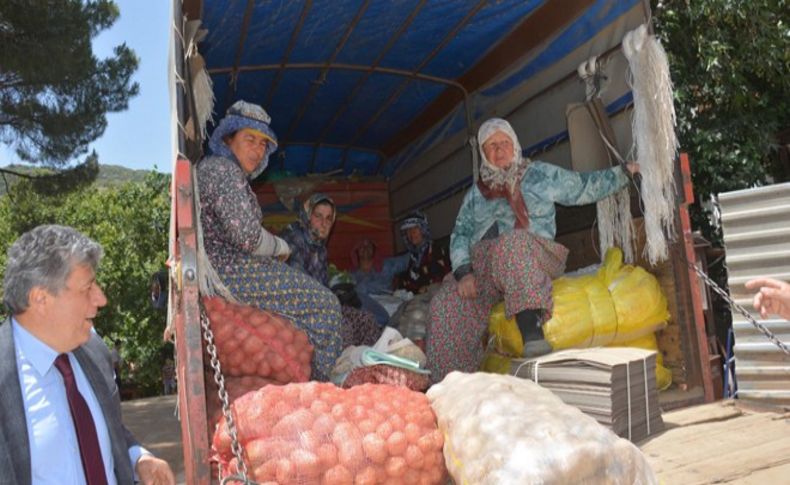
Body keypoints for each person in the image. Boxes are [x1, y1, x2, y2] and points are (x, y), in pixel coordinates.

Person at [427, 118, 638, 382]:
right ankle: (451, 384)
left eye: (505, 142)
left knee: (512, 245)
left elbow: (581, 186)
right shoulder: (475, 195)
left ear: (515, 146)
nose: (500, 150)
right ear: (483, 154)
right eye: (491, 146)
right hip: (487, 267)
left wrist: (623, 173)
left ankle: (532, 331)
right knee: (444, 303)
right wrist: (464, 272)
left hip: (536, 253)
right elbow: (460, 235)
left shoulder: (540, 175)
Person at [0, 224, 175, 485]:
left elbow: (103, 428)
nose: (101, 299)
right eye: (87, 288)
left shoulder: (94, 351)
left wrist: (137, 457)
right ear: (41, 299)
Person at [196, 100, 342, 381]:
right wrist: (280, 247)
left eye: (263, 143)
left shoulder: (221, 171)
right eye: (249, 139)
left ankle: (309, 377)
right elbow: (249, 238)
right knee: (326, 306)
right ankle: (325, 389)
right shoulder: (223, 172)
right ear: (228, 139)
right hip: (230, 271)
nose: (258, 148)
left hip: (229, 267)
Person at [281, 193, 383, 347]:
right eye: (318, 216)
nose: (324, 223)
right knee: (344, 329)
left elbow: (321, 285)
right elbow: (298, 284)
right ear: (307, 216)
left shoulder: (320, 247)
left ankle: (364, 365)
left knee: (367, 321)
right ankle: (338, 369)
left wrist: (337, 296)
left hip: (320, 306)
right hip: (294, 310)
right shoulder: (294, 239)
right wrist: (330, 302)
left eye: (329, 218)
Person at [349, 238, 408, 324]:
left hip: (390, 311)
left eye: (368, 245)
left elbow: (408, 259)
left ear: (374, 249)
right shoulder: (350, 276)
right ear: (356, 251)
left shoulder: (387, 266)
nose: (365, 248)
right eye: (361, 246)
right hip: (366, 318)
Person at [393, 211, 451, 294]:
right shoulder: (413, 257)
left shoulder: (436, 250)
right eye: (408, 230)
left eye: (415, 228)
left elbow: (441, 280)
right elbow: (408, 283)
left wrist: (424, 289)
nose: (411, 233)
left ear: (423, 229)